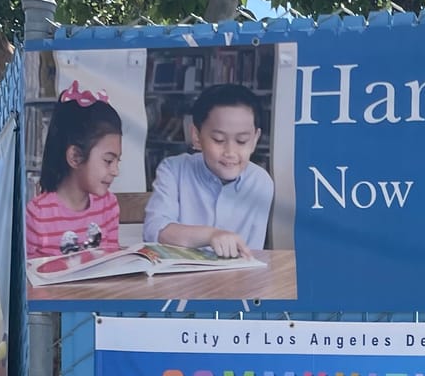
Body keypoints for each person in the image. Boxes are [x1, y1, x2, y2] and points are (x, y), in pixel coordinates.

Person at [142, 83, 274, 256]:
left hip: (236, 279)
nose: (230, 152)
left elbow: (253, 252)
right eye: (219, 140)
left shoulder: (260, 183)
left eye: (241, 141)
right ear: (196, 136)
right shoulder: (174, 170)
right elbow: (154, 230)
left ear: (255, 139)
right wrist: (210, 235)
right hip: (177, 279)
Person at [28, 83, 124, 259]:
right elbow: (27, 279)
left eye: (118, 161)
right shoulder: (37, 214)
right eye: (108, 161)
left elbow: (111, 265)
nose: (115, 171)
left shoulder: (108, 205)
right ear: (75, 157)